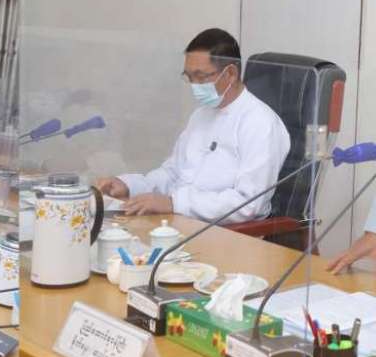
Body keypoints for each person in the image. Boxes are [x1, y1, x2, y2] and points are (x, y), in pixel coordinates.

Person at [97, 28, 290, 224]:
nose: (195, 86)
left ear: (231, 73)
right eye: (189, 77)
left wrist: (175, 204)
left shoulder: (260, 122)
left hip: (224, 231)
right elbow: (172, 173)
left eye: (201, 77)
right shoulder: (201, 114)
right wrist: (130, 185)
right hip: (178, 221)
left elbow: (248, 204)